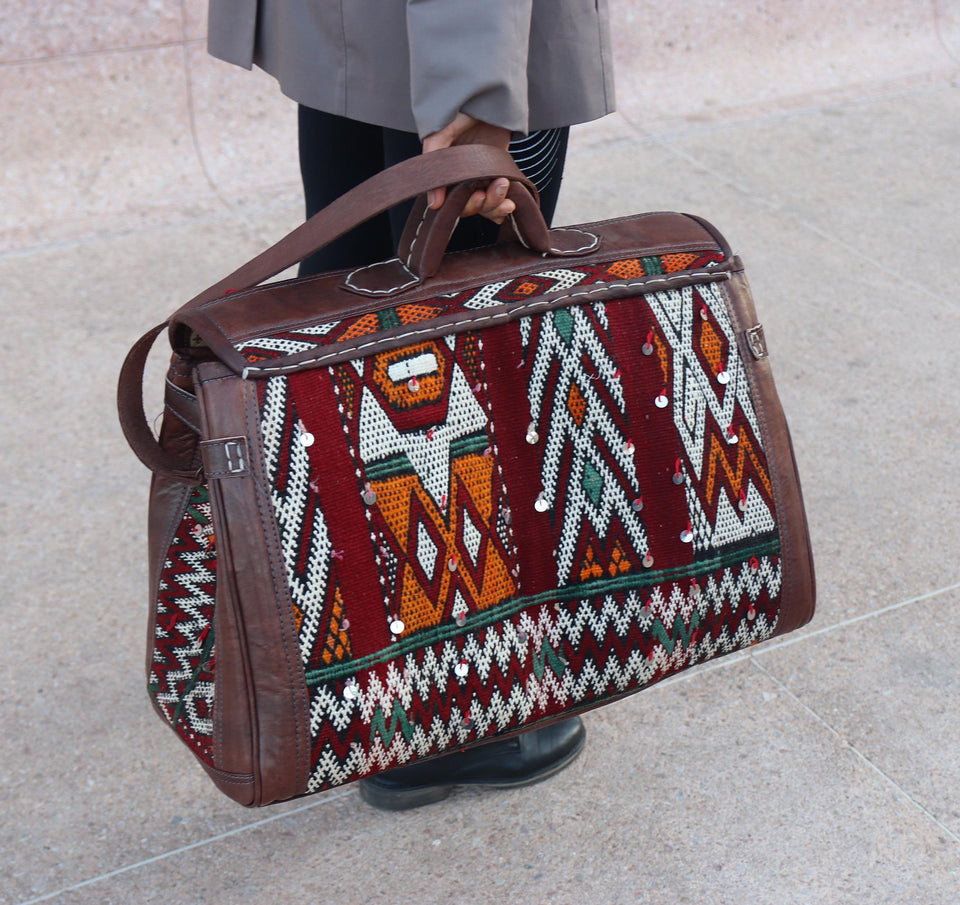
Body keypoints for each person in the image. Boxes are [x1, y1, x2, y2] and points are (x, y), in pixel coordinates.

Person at [207, 0, 615, 811]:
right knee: (456, 358)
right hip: (454, 40)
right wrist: (480, 96)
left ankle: (345, 647)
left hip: (344, 27)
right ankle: (456, 714)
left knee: (347, 327)